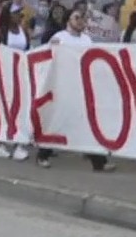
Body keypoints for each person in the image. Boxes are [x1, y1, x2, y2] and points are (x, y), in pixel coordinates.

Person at [36, 10, 116, 172]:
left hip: (81, 88)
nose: (80, 21)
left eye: (82, 18)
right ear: (68, 21)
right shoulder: (60, 38)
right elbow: (49, 59)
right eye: (76, 18)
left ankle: (98, 162)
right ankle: (43, 154)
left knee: (87, 123)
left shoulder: (87, 40)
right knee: (59, 121)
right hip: (63, 88)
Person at [0, 6, 30, 161]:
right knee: (6, 108)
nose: (19, 16)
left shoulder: (23, 31)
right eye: (15, 13)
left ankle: (17, 142)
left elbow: (28, 49)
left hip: (20, 75)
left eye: (20, 13)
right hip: (5, 74)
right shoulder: (1, 32)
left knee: (20, 108)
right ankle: (2, 145)